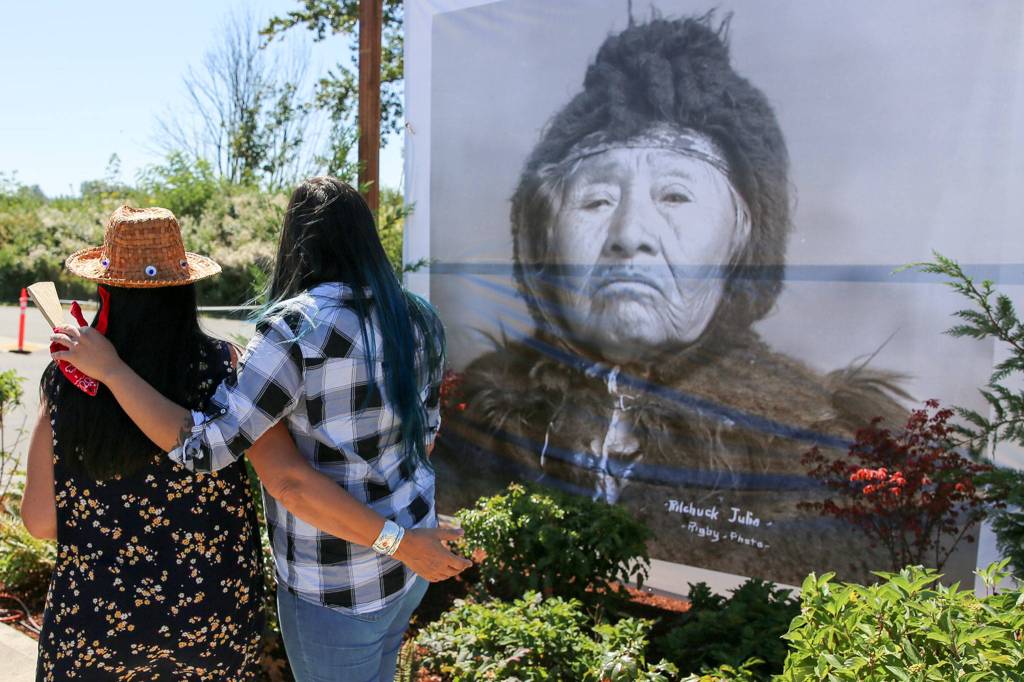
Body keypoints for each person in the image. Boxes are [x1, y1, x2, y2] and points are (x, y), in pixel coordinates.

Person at [433, 15, 909, 585]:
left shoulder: (817, 446)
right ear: (540, 236)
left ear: (743, 236)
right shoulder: (474, 422)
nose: (631, 233)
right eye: (597, 199)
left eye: (676, 194)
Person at [51, 179, 472, 681]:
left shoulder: (297, 328)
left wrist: (114, 372)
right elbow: (423, 439)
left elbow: (210, 450)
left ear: (295, 243)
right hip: (409, 564)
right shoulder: (419, 317)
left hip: (338, 584)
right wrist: (403, 541)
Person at [21, 206, 265, 680]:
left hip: (92, 623)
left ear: (104, 288)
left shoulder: (69, 379)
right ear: (186, 289)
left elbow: (38, 521)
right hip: (211, 618)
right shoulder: (225, 367)